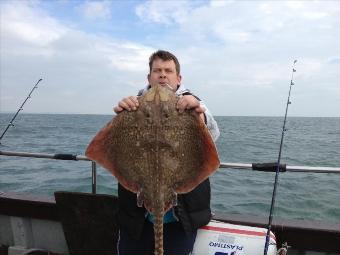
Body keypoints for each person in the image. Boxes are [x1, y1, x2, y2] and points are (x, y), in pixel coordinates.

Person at [113, 50, 220, 255]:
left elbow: (213, 133)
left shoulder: (193, 104)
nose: (162, 75)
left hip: (181, 217)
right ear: (149, 77)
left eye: (168, 70)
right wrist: (121, 117)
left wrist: (200, 114)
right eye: (157, 70)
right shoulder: (133, 105)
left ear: (178, 78)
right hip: (136, 217)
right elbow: (115, 148)